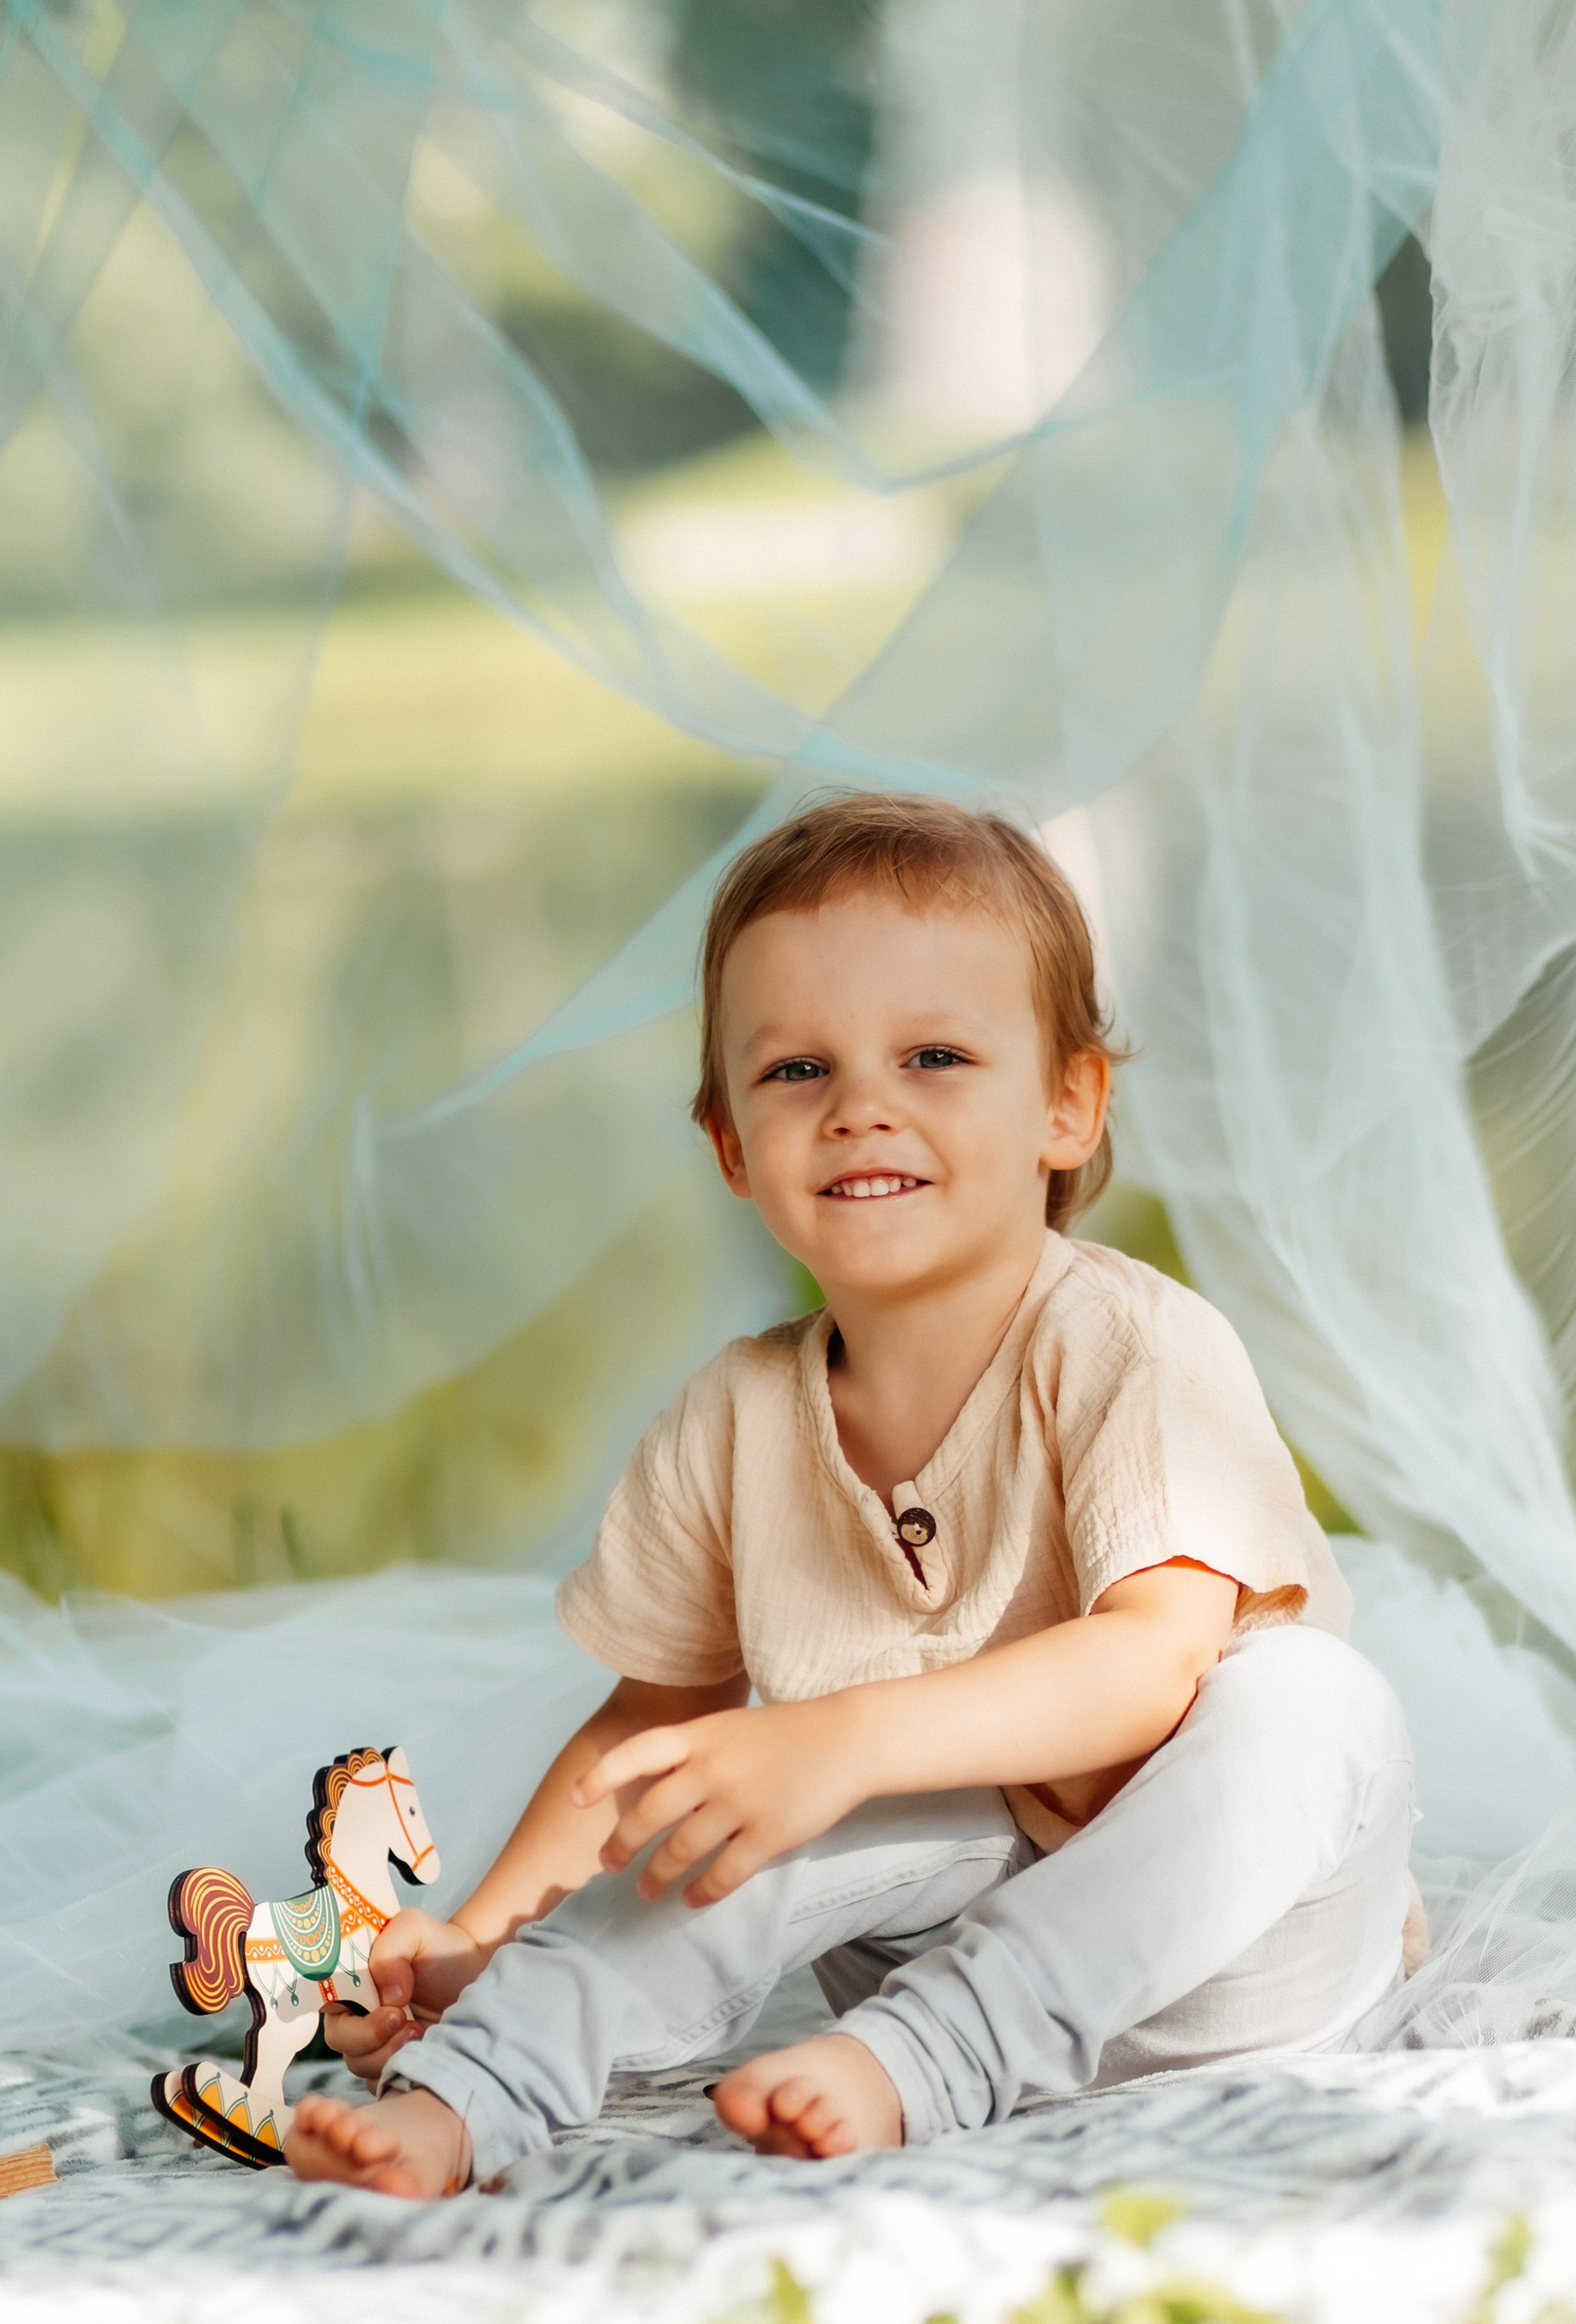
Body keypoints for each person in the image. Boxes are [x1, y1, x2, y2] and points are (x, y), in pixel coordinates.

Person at [286, 793, 1415, 2200]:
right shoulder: (731, 1421)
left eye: (936, 1055)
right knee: (719, 1797)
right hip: (935, 1919)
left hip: (1232, 1949)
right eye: (798, 1070)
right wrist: (484, 1931)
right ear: (728, 1144)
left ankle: (924, 2064)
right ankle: (472, 2097)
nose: (861, 1106)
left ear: (1068, 1103)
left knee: (1314, 1703)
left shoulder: (1133, 1345)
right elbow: (643, 1730)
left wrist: (836, 1740)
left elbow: (1149, 1664)